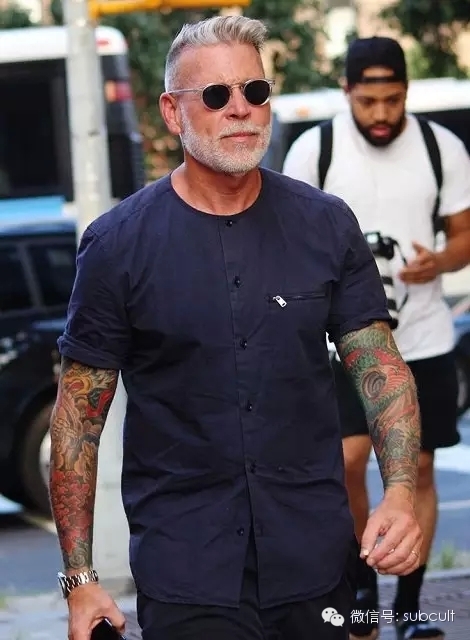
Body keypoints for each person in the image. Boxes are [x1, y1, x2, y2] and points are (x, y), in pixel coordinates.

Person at [49, 18, 423, 640]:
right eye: (217, 95)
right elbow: (76, 422)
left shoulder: (326, 224)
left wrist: (401, 492)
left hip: (313, 559)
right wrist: (79, 579)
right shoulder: (117, 246)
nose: (241, 109)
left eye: (255, 90)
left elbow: (381, 368)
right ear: (173, 112)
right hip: (187, 568)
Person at [283, 36, 470, 640]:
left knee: (418, 467)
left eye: (393, 99)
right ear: (346, 92)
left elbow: (464, 233)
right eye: (369, 101)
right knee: (347, 462)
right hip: (343, 343)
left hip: (423, 336)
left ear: (407, 91)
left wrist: (439, 262)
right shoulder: (316, 150)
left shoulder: (442, 148)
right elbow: (287, 239)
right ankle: (363, 582)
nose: (382, 113)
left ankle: (410, 609)